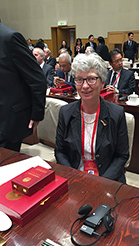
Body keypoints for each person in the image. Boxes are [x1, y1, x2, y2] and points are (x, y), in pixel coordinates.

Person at [55, 53, 129, 183]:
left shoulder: (116, 114)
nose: (84, 86)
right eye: (79, 79)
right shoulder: (65, 112)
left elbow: (122, 156)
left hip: (107, 179)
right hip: (74, 176)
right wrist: (73, 176)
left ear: (102, 82)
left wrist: (101, 182)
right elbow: (60, 152)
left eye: (91, 79)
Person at [0, 0, 47, 152]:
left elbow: (36, 78)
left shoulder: (9, 38)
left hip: (8, 119)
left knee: (1, 166)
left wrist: (36, 113)